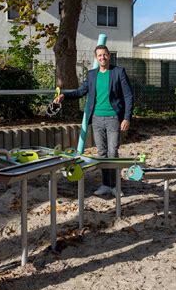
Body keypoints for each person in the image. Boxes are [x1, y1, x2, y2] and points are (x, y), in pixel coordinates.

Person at [54, 45, 134, 197]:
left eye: (105, 55)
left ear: (109, 56)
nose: (102, 58)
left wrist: (126, 118)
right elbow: (80, 92)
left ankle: (116, 186)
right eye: (99, 55)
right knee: (102, 153)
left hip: (113, 119)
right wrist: (64, 95)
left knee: (112, 152)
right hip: (96, 119)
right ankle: (106, 184)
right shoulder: (91, 75)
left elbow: (128, 96)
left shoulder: (118, 72)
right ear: (96, 58)